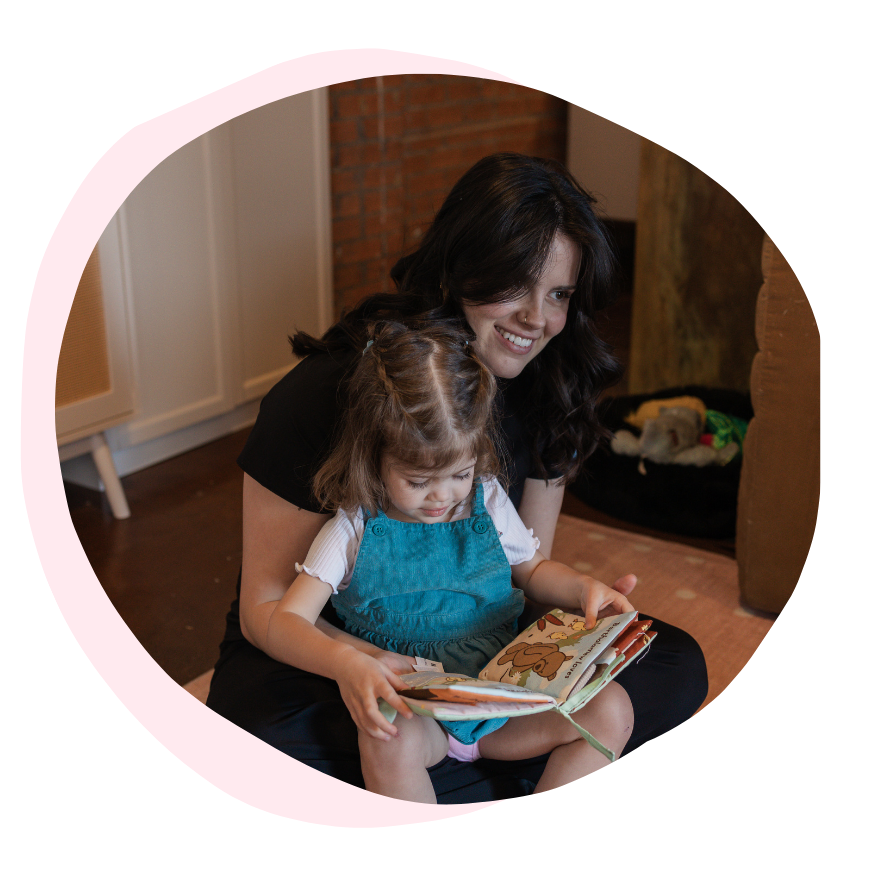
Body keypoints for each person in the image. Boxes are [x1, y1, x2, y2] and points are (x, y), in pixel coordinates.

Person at [206, 152, 709, 801]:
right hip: (348, 658)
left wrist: (580, 619)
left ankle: (461, 769)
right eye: (517, 285)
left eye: (559, 294)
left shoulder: (545, 380)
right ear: (461, 268)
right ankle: (464, 771)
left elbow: (525, 570)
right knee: (262, 746)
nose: (538, 319)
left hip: (476, 659)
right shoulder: (332, 392)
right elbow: (268, 614)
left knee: (670, 665)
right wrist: (364, 665)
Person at [266, 321, 636, 802]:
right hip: (422, 713)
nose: (443, 497)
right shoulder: (354, 527)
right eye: (419, 481)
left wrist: (585, 589)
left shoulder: (485, 498)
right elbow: (286, 622)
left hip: (506, 699)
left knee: (613, 708)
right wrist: (345, 663)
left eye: (460, 473)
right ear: (373, 455)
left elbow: (535, 570)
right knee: (385, 738)